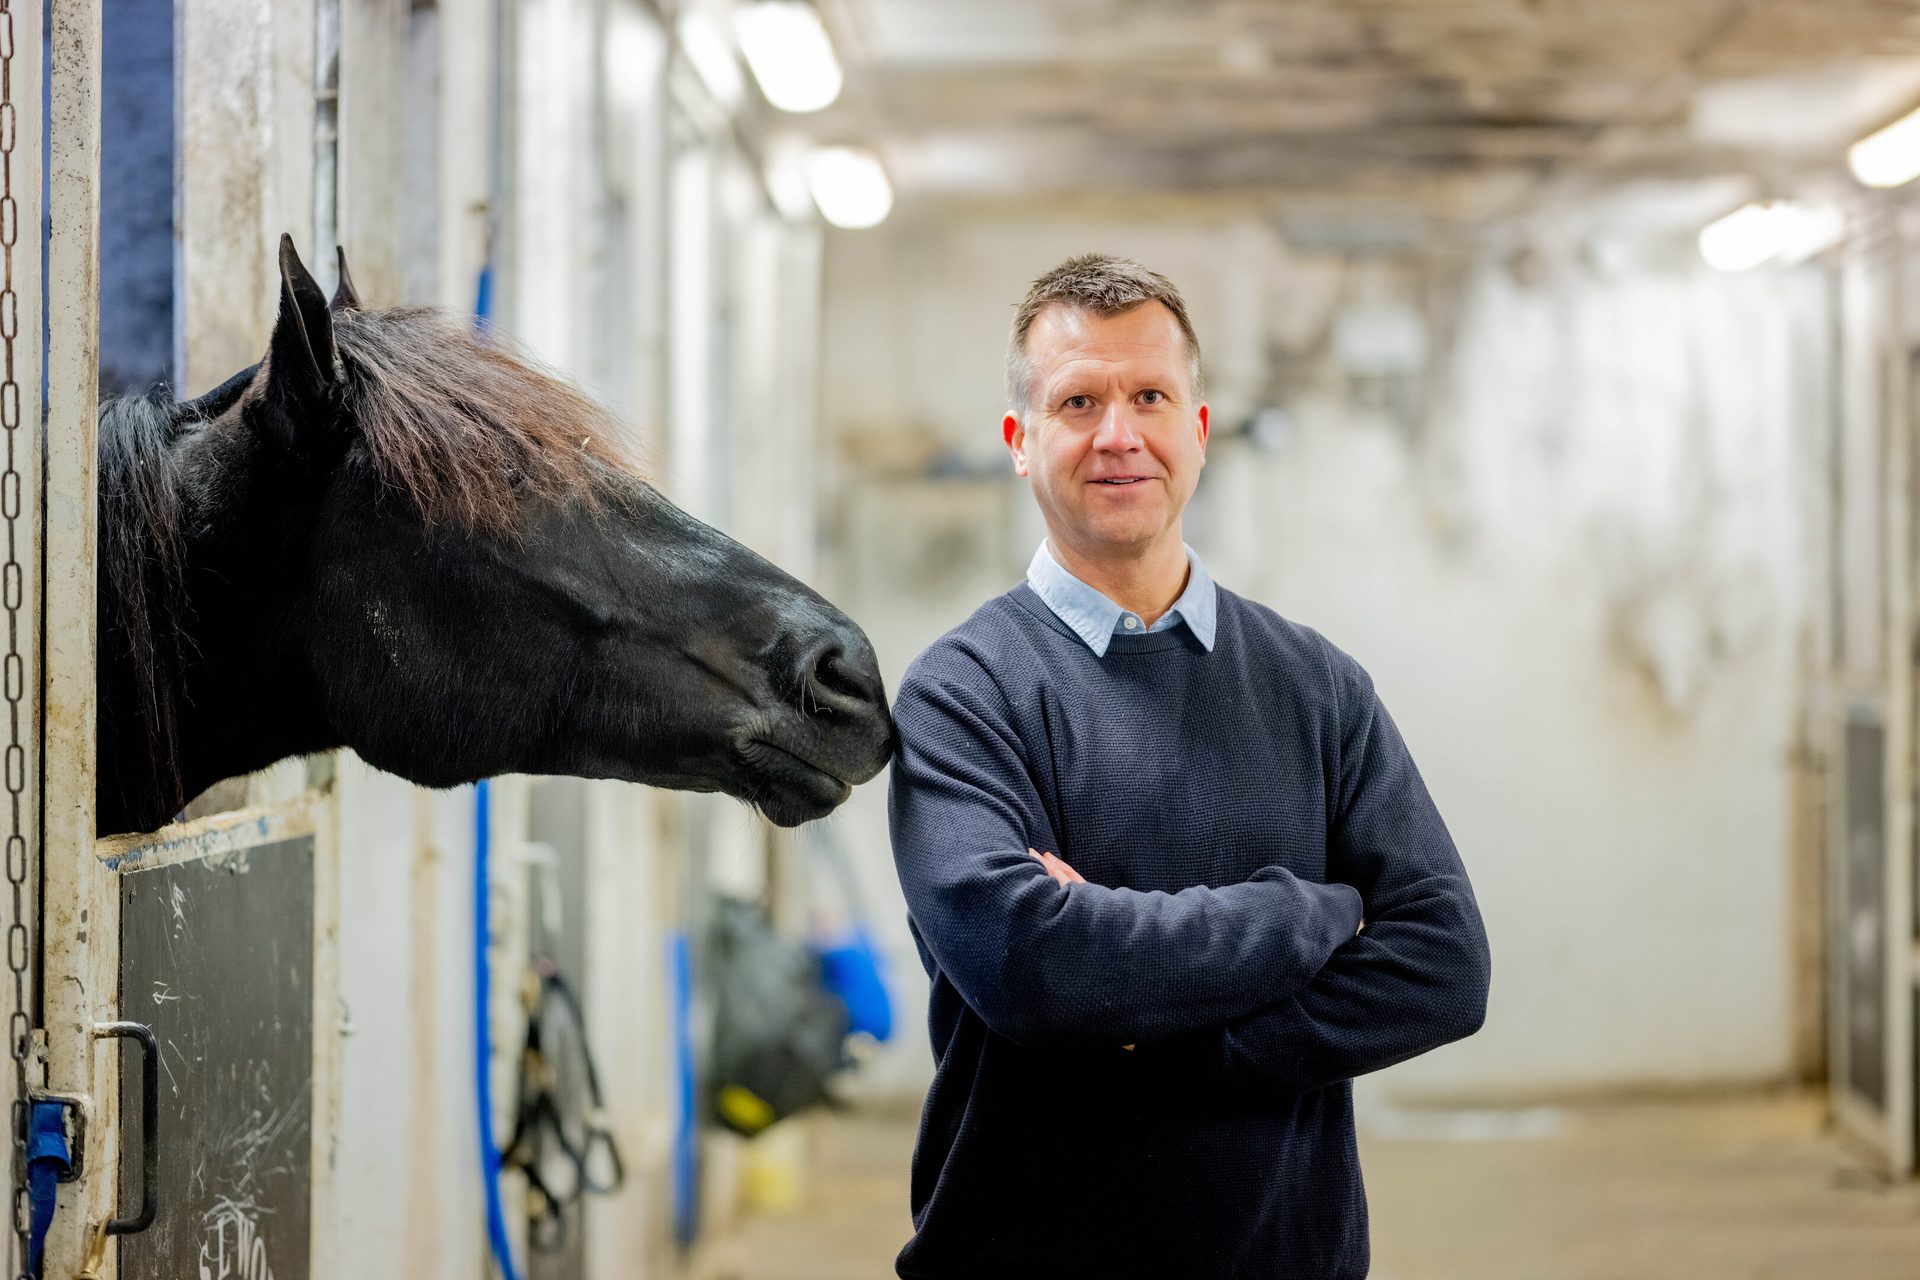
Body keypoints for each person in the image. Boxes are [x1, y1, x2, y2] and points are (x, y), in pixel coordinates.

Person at [886, 253, 1491, 1279]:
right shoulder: (962, 694)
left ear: (1198, 433)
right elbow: (1032, 965)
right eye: (1078, 400)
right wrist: (1306, 914)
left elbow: (1443, 966)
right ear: (1021, 444)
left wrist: (1146, 1033)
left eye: (1150, 396)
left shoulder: (1316, 686)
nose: (1119, 433)